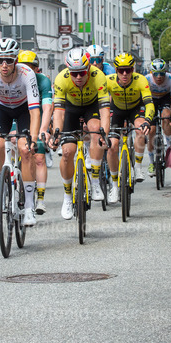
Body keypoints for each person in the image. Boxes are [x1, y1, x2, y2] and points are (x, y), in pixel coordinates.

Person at [0, 38, 41, 224]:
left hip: (23, 109)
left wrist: (33, 138)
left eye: (9, 60)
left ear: (16, 60)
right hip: (1, 108)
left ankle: (29, 206)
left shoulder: (27, 74)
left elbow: (34, 111)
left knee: (25, 149)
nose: (4, 65)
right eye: (0, 60)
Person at [50, 47, 111, 219]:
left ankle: (95, 180)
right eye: (73, 73)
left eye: (82, 73)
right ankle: (67, 197)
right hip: (70, 109)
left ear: (89, 68)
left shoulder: (98, 77)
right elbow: (59, 112)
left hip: (91, 107)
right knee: (68, 152)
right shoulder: (61, 79)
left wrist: (104, 134)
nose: (78, 77)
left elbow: (105, 110)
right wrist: (56, 134)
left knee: (96, 132)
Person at [104, 52, 155, 202]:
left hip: (135, 109)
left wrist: (147, 120)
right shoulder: (108, 80)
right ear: (116, 70)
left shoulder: (140, 80)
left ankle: (138, 167)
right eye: (121, 70)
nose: (125, 74)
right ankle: (114, 185)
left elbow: (149, 103)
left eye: (128, 70)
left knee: (141, 129)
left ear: (133, 69)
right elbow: (98, 101)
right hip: (117, 110)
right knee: (112, 146)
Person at [18, 50, 54, 214]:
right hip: (17, 116)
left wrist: (43, 130)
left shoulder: (43, 81)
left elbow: (47, 108)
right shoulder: (14, 79)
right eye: (22, 66)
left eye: (30, 67)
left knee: (39, 157)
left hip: (36, 117)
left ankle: (40, 199)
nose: (26, 70)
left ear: (36, 69)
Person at [146, 57, 171, 176]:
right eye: (156, 74)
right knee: (152, 131)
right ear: (151, 73)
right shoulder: (147, 79)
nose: (159, 76)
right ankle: (151, 162)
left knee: (166, 116)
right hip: (151, 100)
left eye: (161, 73)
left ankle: (168, 145)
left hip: (165, 98)